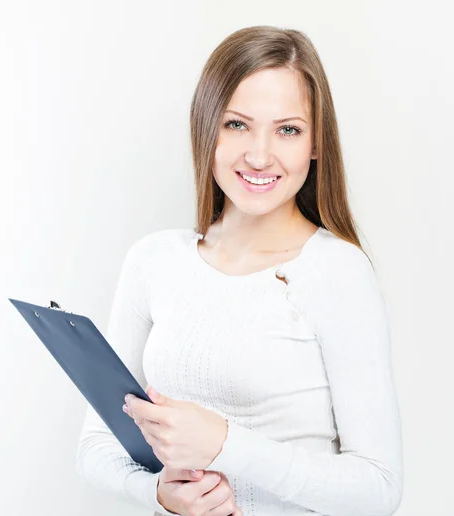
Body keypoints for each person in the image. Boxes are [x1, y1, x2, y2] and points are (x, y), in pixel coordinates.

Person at [75, 25, 403, 516]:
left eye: (288, 129)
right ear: (206, 128)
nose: (259, 154)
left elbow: (379, 489)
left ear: (316, 145)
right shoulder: (154, 260)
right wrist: (160, 495)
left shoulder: (338, 271)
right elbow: (95, 446)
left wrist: (224, 443)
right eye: (236, 124)